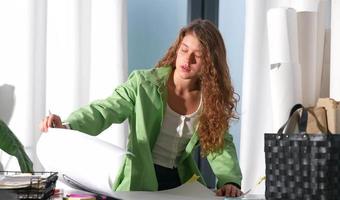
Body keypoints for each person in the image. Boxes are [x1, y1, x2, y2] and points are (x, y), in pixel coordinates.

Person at [40, 19, 243, 197]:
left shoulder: (209, 101)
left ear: (210, 63)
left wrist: (230, 181)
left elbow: (220, 144)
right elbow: (105, 110)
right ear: (177, 48)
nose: (187, 60)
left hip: (181, 185)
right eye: (184, 49)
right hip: (139, 181)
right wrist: (68, 126)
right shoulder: (143, 84)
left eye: (197, 56)